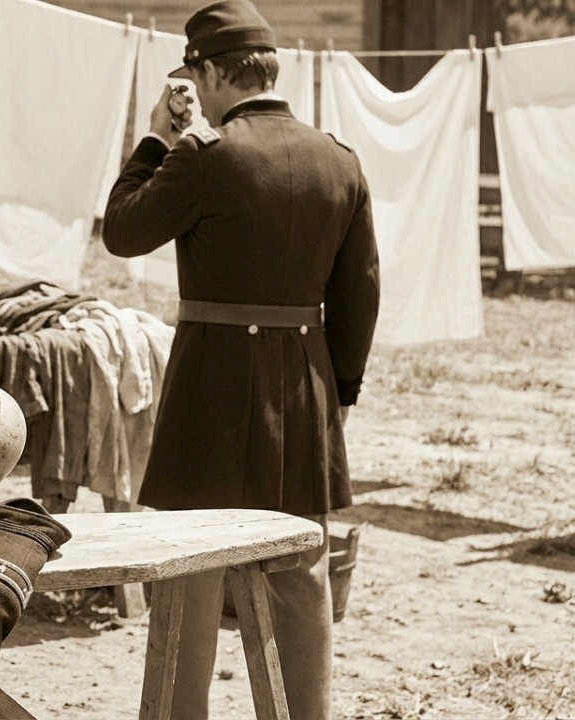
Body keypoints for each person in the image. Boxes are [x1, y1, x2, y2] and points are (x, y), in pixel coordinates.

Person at [102, 1, 380, 718]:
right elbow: (360, 293)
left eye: (194, 71)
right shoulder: (340, 161)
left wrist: (157, 140)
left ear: (212, 72)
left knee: (193, 570)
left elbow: (124, 231)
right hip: (305, 382)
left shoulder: (205, 156)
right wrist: (337, 390)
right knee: (298, 567)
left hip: (213, 382)